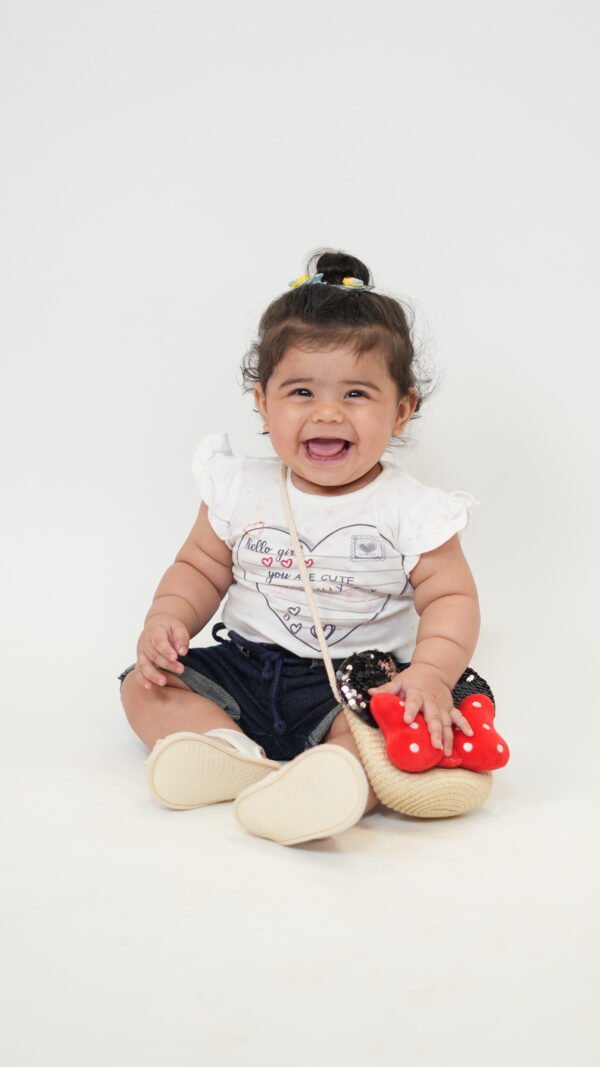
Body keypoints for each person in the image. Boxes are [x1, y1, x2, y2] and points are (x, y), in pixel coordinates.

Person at [118, 249, 481, 847]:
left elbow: (451, 599)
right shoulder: (239, 488)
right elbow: (199, 568)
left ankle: (336, 782)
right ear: (263, 402)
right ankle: (227, 751)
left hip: (354, 681)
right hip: (248, 665)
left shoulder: (412, 509)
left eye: (357, 394)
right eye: (302, 392)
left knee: (381, 730)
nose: (327, 413)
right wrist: (167, 619)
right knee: (145, 685)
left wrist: (430, 674)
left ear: (401, 410)